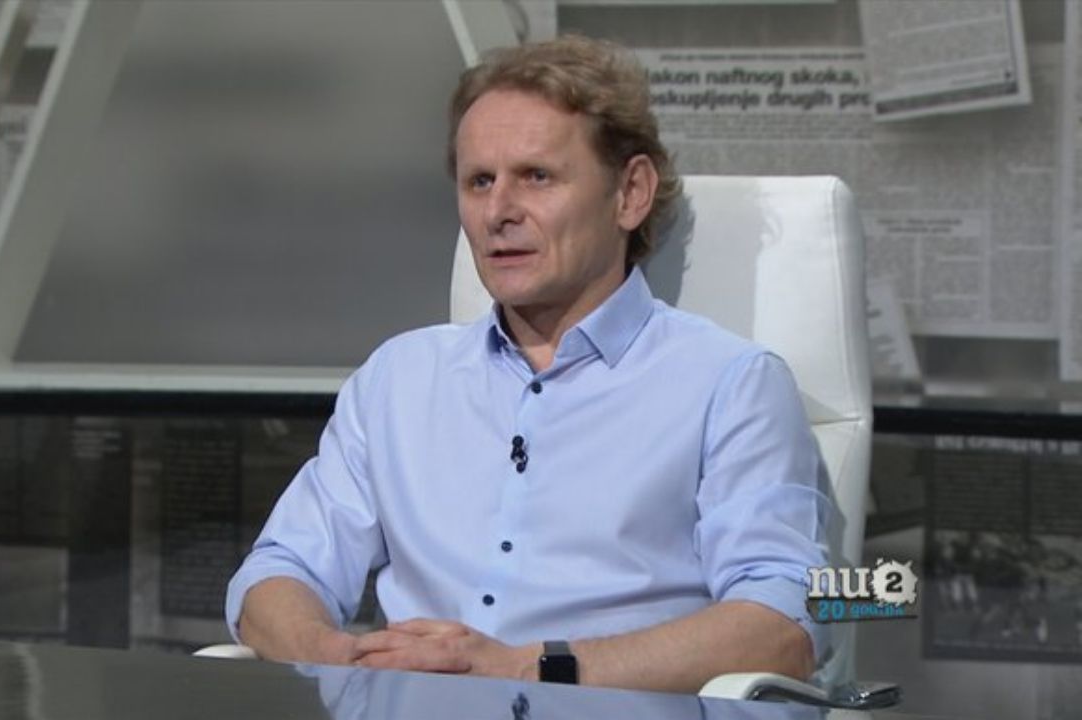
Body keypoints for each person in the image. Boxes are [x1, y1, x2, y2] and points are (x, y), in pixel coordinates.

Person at [226, 35, 829, 694]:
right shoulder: (396, 380)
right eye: (479, 182)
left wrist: (525, 667)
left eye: (536, 176)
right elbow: (277, 574)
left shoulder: (732, 385)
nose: (498, 212)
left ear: (630, 193)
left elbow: (787, 622)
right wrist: (341, 658)